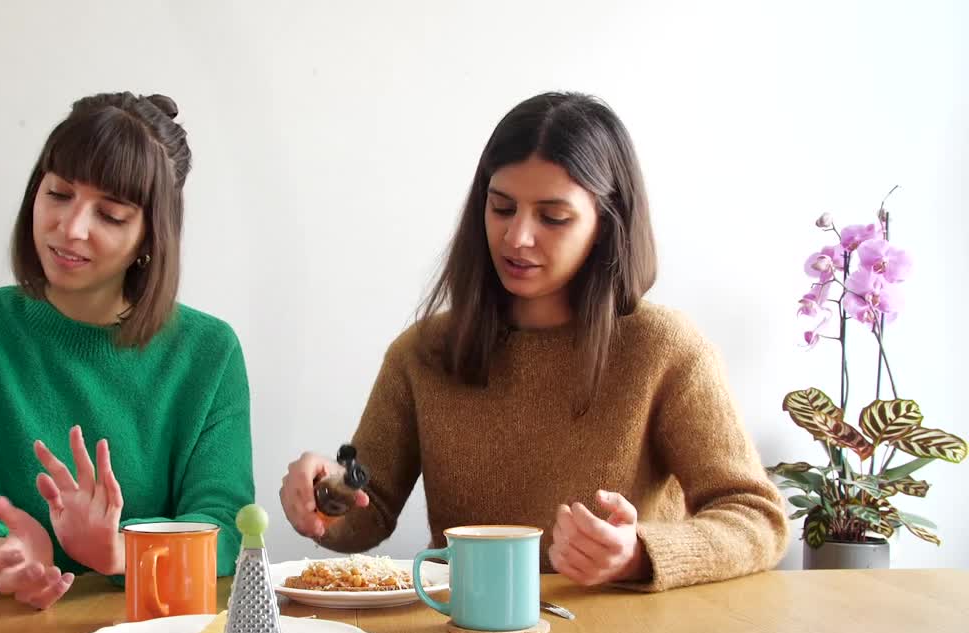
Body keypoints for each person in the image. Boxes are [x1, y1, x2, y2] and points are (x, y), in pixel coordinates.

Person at [279, 92, 787, 591]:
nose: (517, 237)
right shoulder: (424, 352)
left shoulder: (665, 349)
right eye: (501, 208)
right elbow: (370, 505)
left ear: (606, 224)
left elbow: (757, 518)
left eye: (553, 217)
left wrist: (639, 554)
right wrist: (324, 498)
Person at [0, 92, 254, 609]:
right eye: (59, 193)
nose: (71, 228)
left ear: (150, 237)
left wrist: (117, 551)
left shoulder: (208, 352)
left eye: (110, 215)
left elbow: (223, 526)